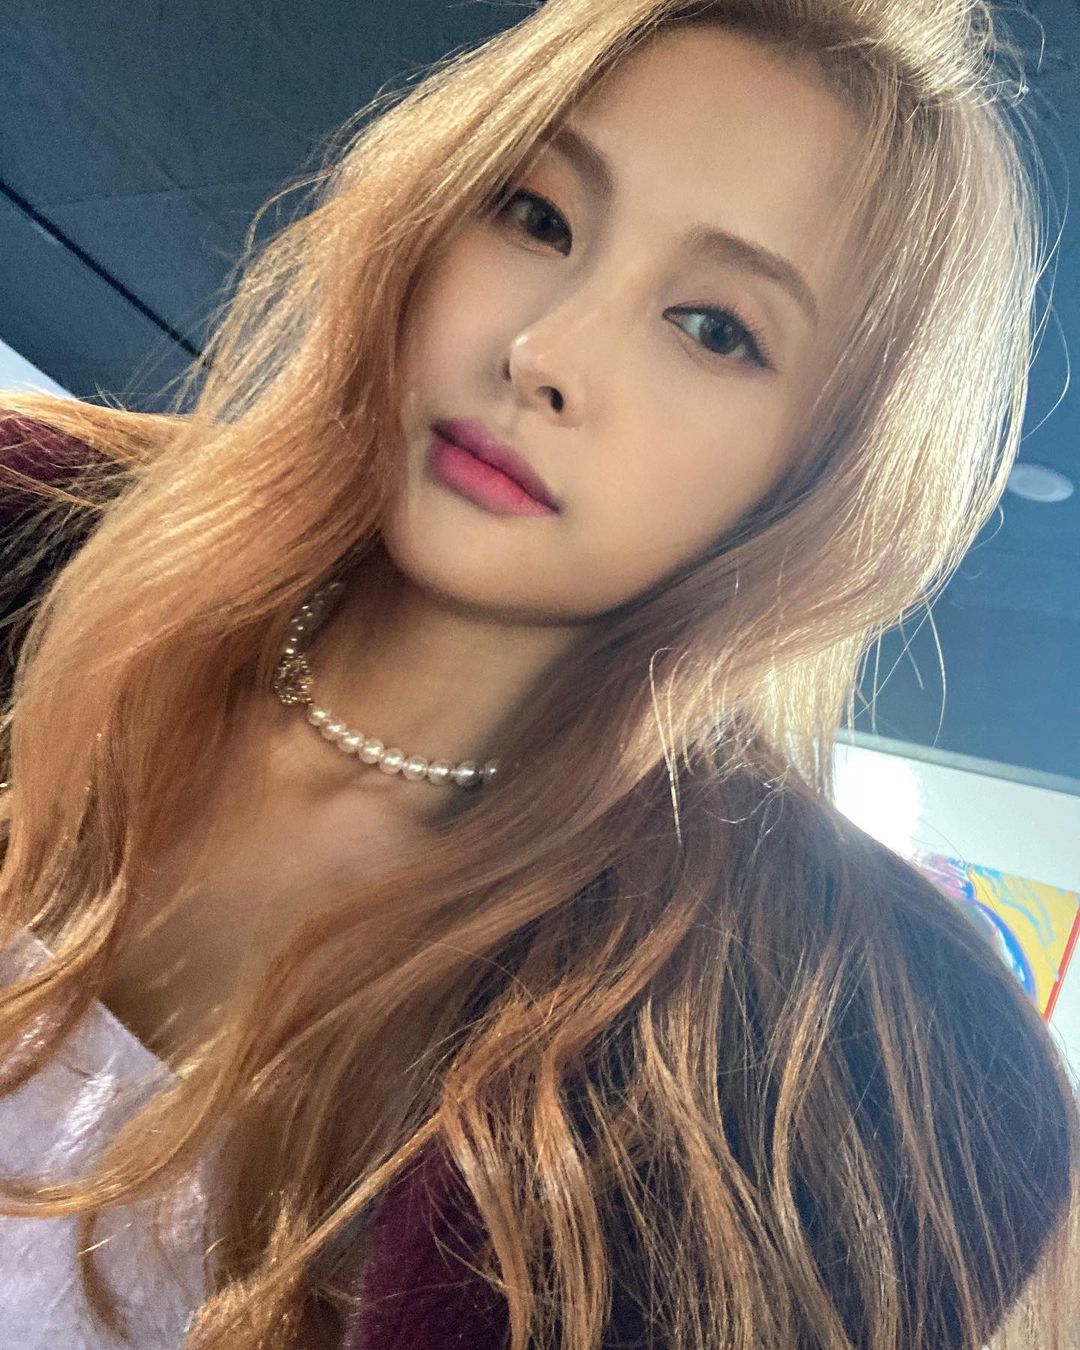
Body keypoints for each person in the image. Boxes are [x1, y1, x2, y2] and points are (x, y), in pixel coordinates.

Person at [0, 0, 1077, 1346]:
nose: (546, 355)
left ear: (819, 474)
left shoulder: (787, 1074)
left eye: (714, 327)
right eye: (539, 216)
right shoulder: (40, 532)